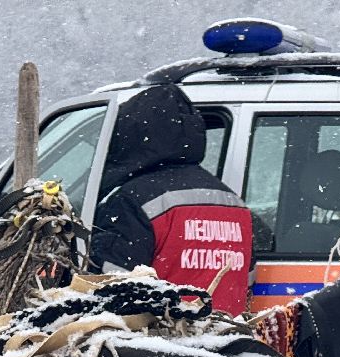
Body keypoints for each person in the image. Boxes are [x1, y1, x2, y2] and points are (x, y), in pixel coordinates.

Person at [89, 84, 253, 316]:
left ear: (130, 137)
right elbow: (246, 279)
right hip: (226, 341)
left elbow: (109, 285)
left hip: (162, 343)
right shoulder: (234, 202)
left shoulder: (132, 200)